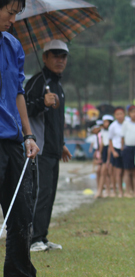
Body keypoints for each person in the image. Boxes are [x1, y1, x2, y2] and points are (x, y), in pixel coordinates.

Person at [0, 0, 55, 277]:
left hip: (12, 141)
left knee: (20, 211)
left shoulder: (12, 45)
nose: (13, 18)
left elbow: (18, 92)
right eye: (9, 12)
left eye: (16, 13)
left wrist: (28, 135)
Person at [26, 39, 72, 252]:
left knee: (50, 192)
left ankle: (42, 237)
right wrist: (41, 103)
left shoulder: (57, 86)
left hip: (54, 149)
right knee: (40, 192)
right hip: (40, 148)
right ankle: (33, 238)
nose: (60, 60)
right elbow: (23, 110)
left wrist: (61, 143)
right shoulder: (37, 82)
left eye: (63, 56)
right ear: (45, 57)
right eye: (55, 55)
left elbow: (56, 120)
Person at [108, 107, 126, 197]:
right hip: (116, 149)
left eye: (121, 114)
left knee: (125, 171)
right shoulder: (113, 126)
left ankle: (127, 190)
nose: (119, 116)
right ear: (115, 116)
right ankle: (117, 191)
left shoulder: (127, 124)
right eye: (117, 114)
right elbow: (110, 140)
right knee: (117, 172)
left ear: (124, 114)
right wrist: (113, 151)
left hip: (126, 149)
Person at [95, 115, 114, 198]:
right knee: (103, 172)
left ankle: (110, 191)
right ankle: (101, 191)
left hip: (111, 149)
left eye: (106, 122)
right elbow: (102, 143)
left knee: (110, 172)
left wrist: (109, 158)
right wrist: (100, 154)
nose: (105, 124)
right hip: (105, 151)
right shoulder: (103, 131)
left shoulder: (112, 131)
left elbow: (110, 143)